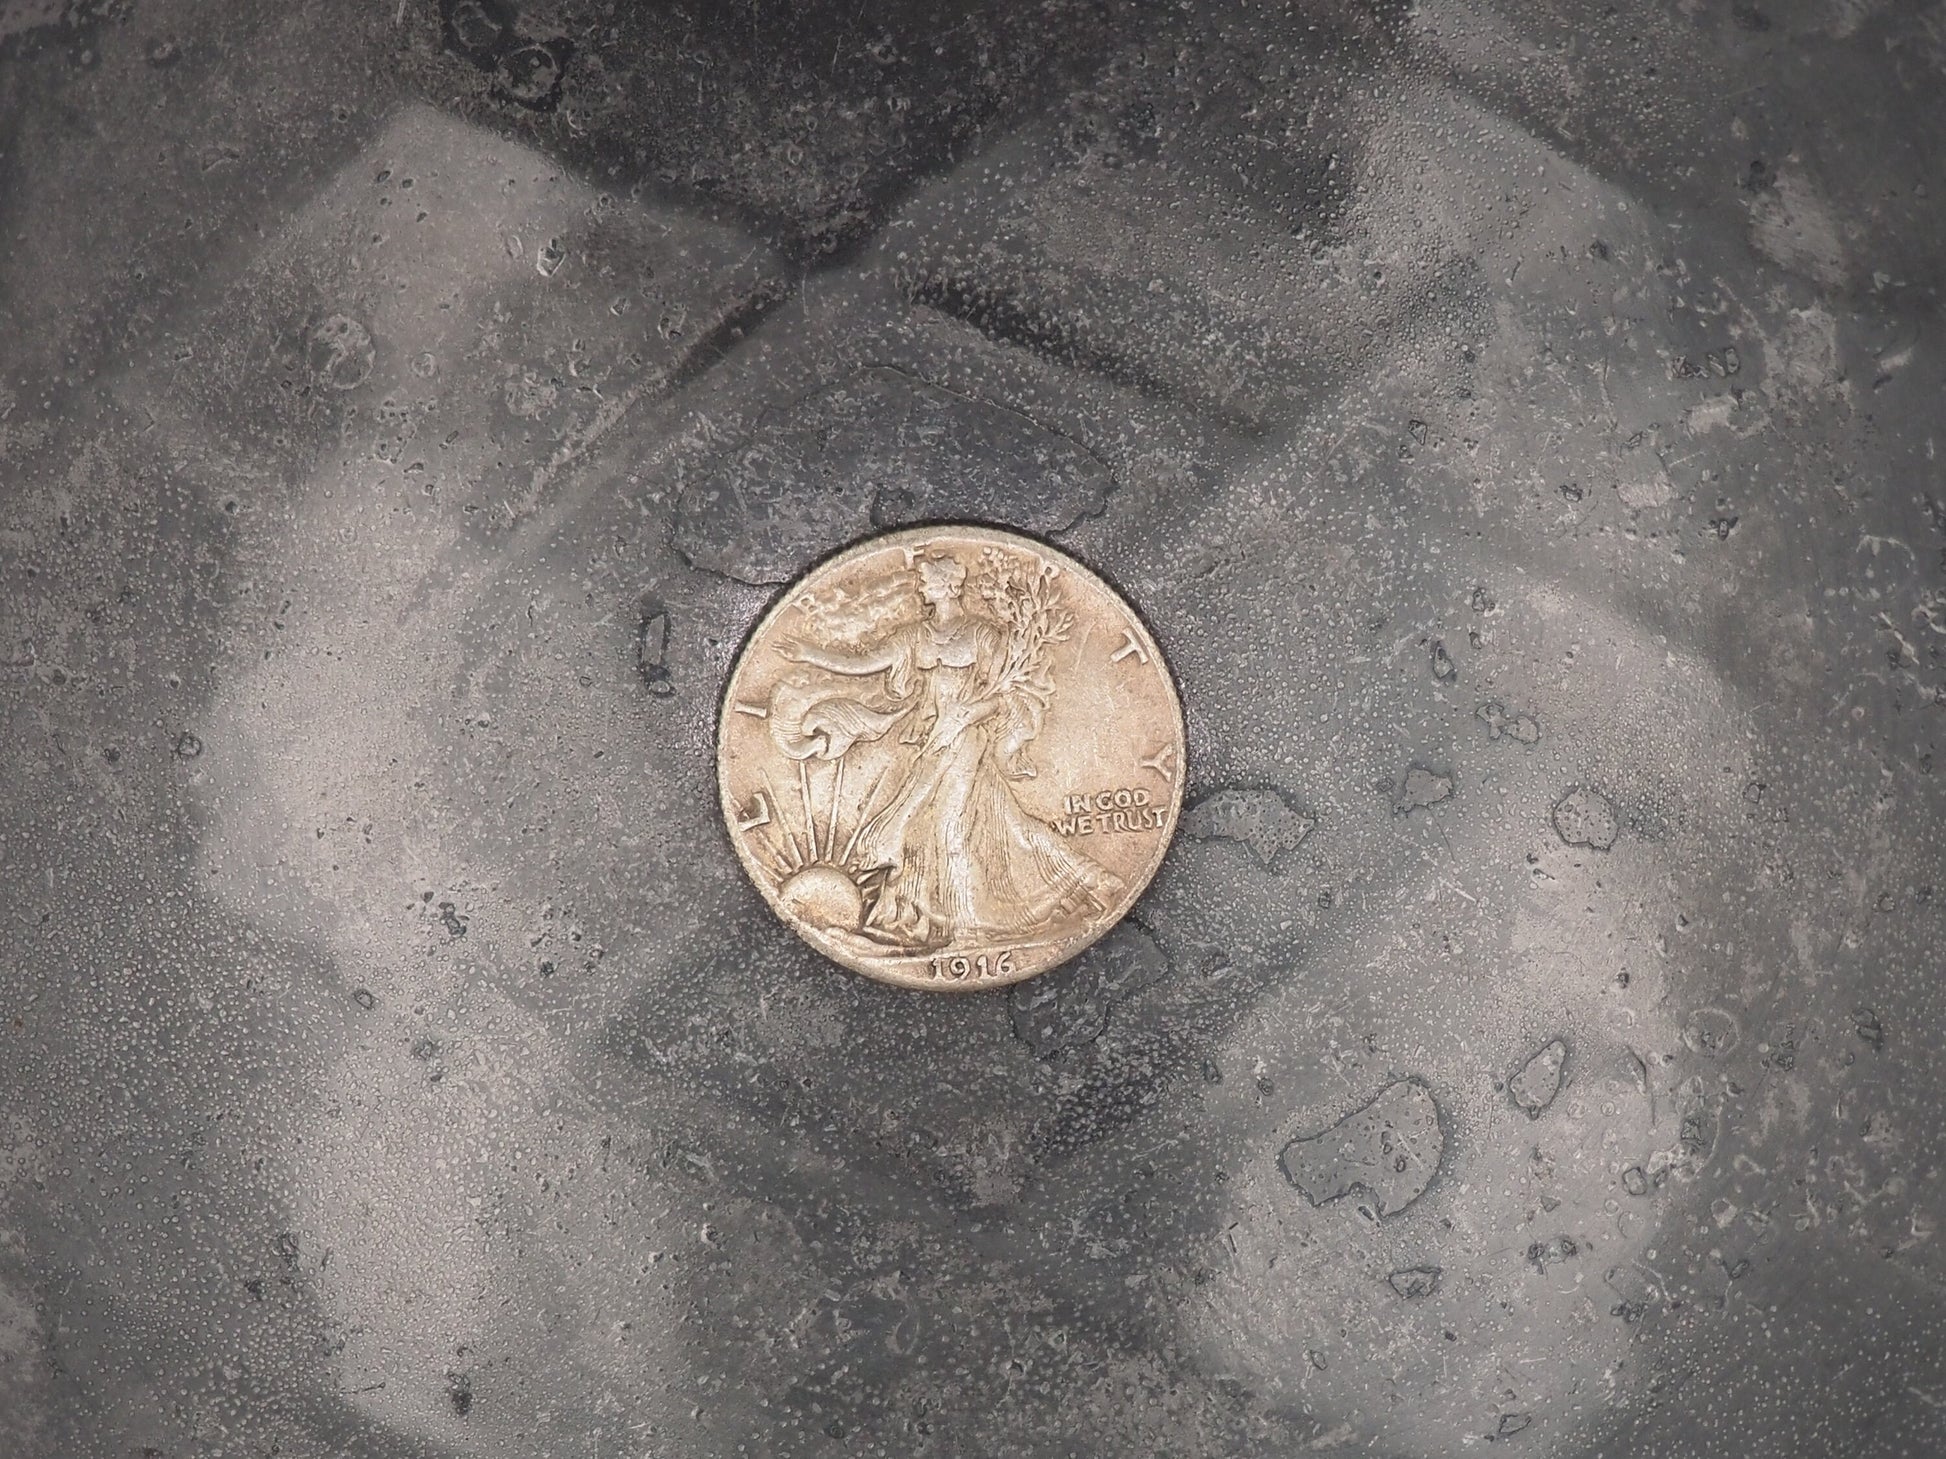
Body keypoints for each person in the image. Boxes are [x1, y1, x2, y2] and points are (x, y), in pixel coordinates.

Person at [778, 553, 1119, 951]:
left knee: (950, 828)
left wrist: (967, 713)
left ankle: (967, 930)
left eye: (926, 581)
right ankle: (1094, 878)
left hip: (967, 741)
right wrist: (809, 654)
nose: (921, 587)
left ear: (947, 586)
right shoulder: (914, 637)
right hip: (932, 742)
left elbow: (1006, 693)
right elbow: (863, 662)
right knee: (1005, 826)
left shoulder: (980, 635)